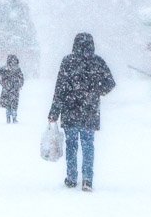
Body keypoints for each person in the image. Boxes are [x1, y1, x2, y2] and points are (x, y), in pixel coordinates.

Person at [48, 32, 115, 192]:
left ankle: (71, 178)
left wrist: (54, 112)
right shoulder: (97, 62)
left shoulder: (68, 61)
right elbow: (110, 83)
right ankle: (87, 180)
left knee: (71, 145)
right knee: (88, 145)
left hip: (70, 110)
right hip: (89, 110)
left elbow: (60, 88)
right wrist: (95, 90)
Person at [0, 54, 24, 124]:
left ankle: (12, 118)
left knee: (12, 104)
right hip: (10, 89)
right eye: (12, 60)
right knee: (10, 104)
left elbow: (21, 78)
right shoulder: (8, 69)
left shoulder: (14, 69)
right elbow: (0, 77)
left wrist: (19, 84)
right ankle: (10, 118)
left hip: (11, 89)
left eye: (14, 60)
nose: (13, 62)